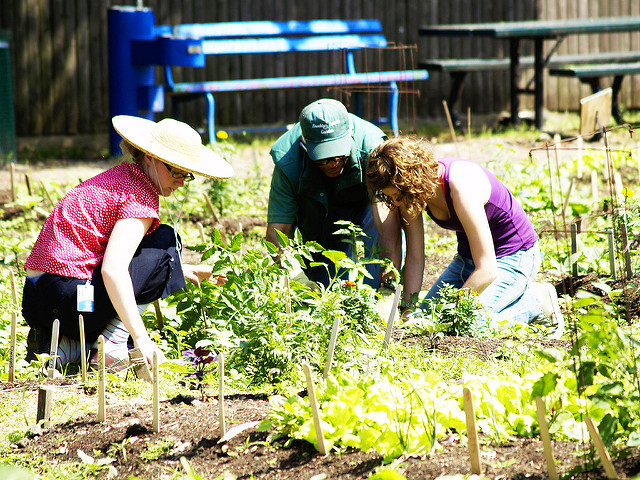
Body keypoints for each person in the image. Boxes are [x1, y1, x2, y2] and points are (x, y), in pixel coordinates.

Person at [22, 115, 234, 370]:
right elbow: (112, 269)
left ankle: (64, 348)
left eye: (187, 174)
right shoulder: (140, 196)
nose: (180, 180)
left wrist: (183, 271)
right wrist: (141, 337)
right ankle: (113, 345)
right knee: (166, 243)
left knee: (165, 254)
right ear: (150, 157)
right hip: (69, 298)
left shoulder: (122, 177)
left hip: (39, 298)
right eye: (175, 170)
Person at [365, 136, 563, 330]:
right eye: (392, 197)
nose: (397, 203)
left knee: (466, 323)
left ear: (412, 181)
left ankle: (536, 302)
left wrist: (453, 311)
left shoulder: (460, 186)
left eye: (398, 196)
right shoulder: (411, 194)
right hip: (467, 261)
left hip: (514, 257)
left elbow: (487, 269)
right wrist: (408, 311)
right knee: (425, 319)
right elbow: (415, 257)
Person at [266, 98, 402, 288]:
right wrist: (299, 280)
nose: (332, 163)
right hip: (318, 224)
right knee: (325, 288)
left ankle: (377, 291)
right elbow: (276, 235)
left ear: (351, 135)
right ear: (305, 144)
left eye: (340, 156)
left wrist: (388, 284)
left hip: (364, 207)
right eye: (323, 158)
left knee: (378, 220)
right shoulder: (288, 161)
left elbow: (388, 225)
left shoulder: (371, 148)